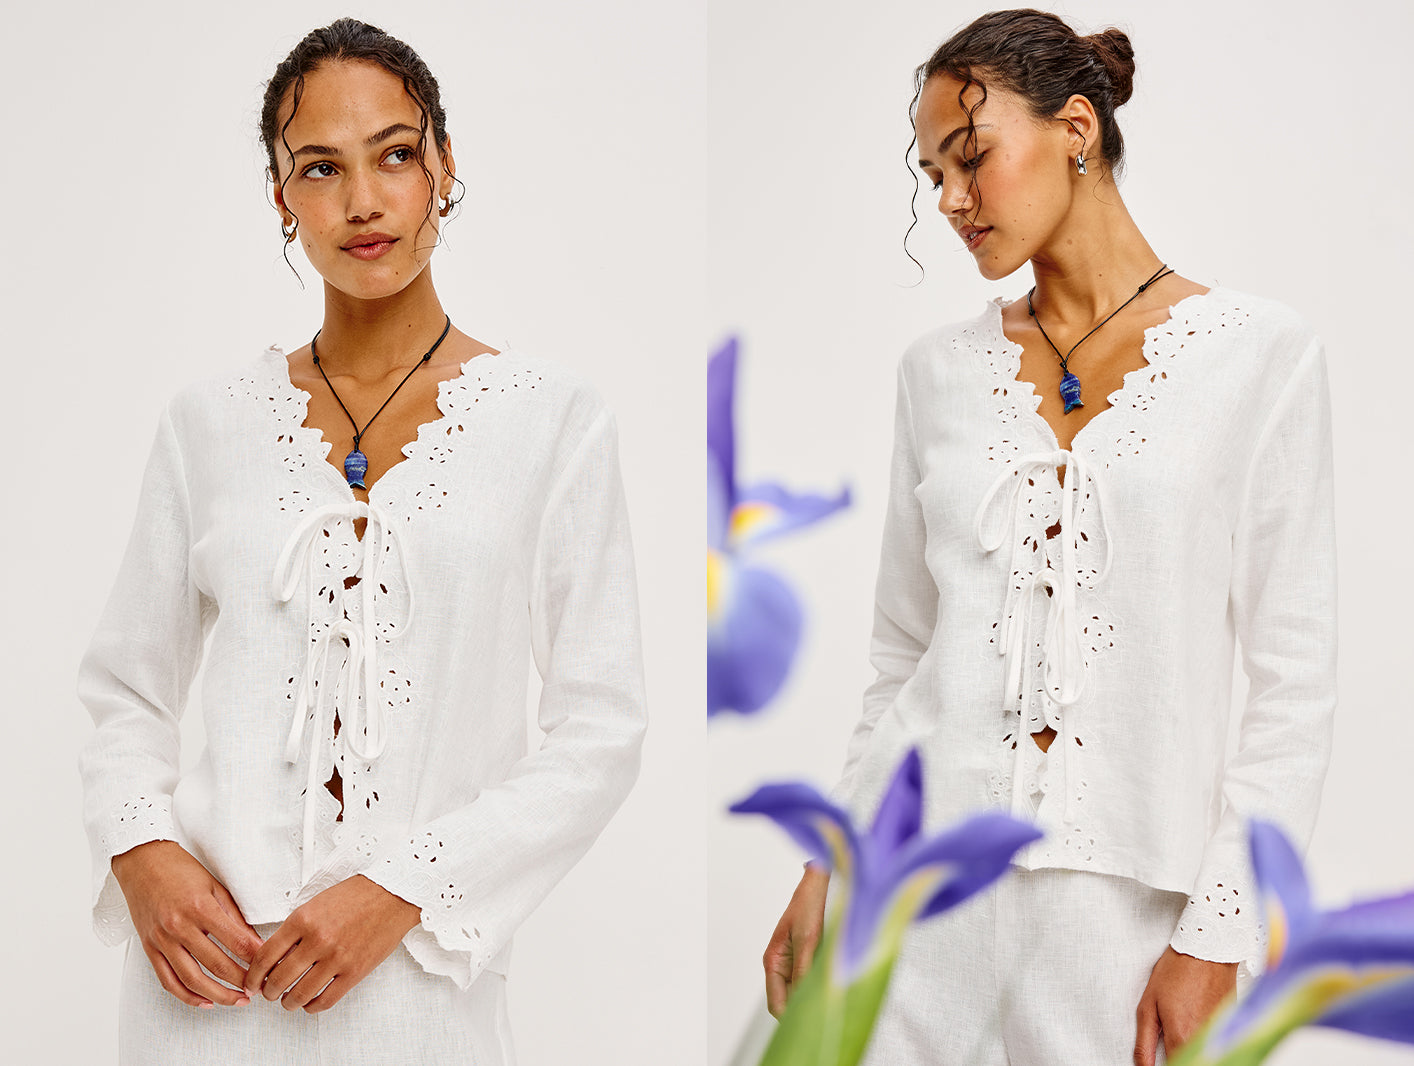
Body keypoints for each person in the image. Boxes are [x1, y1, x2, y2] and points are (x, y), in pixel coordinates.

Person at [762, 9, 1335, 1066]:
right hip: (907, 899)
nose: (948, 199)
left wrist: (1217, 931)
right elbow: (899, 656)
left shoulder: (1258, 357)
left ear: (1077, 128)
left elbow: (1293, 684)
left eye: (970, 157)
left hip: (1124, 920)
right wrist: (824, 862)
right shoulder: (934, 373)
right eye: (933, 171)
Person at [78, 18, 646, 1065]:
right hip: (200, 993)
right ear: (282, 199)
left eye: (394, 154)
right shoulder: (207, 423)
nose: (364, 201)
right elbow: (125, 687)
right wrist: (144, 851)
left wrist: (407, 883)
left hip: (417, 990)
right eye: (320, 169)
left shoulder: (551, 419)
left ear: (443, 167)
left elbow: (600, 727)